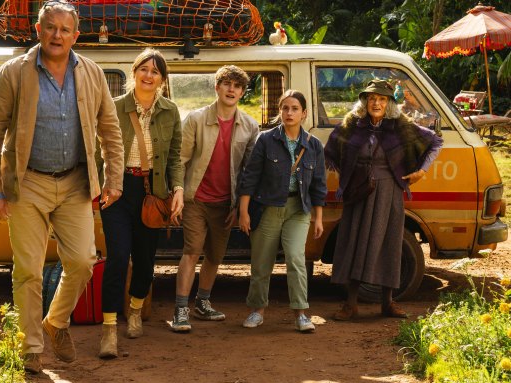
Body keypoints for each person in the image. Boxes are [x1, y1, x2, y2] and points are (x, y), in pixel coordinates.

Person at [0, 1, 124, 374]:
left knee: (82, 262)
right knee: (28, 269)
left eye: (64, 29)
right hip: (27, 185)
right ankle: (31, 348)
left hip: (75, 182)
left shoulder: (91, 72)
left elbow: (110, 129)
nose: (57, 35)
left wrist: (114, 178)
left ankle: (55, 322)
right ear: (38, 30)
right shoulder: (14, 72)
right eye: (50, 27)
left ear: (76, 35)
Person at [324, 79, 443, 320]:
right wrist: (347, 174)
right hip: (358, 193)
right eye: (371, 98)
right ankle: (351, 304)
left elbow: (435, 141)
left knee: (389, 244)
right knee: (354, 243)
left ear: (389, 103)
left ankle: (388, 303)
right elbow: (331, 151)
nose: (376, 102)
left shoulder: (400, 127)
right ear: (365, 101)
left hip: (389, 192)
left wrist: (421, 171)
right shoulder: (351, 125)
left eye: (381, 99)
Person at [98, 48, 183, 358]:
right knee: (118, 258)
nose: (149, 75)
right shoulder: (113, 107)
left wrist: (178, 189)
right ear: (133, 72)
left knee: (146, 261)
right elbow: (99, 150)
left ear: (162, 79)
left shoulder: (170, 111)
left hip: (153, 192)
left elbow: (175, 155)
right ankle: (109, 329)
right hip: (117, 191)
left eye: (155, 71)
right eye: (143, 69)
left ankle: (135, 310)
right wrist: (101, 186)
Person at [170, 65, 259, 332]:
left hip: (225, 203)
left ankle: (202, 303)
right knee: (192, 250)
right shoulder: (196, 119)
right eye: (226, 84)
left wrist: (239, 205)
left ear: (242, 92)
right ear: (217, 87)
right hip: (195, 198)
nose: (231, 89)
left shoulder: (250, 126)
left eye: (237, 85)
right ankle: (180, 310)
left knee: (215, 255)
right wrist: (177, 195)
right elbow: (180, 160)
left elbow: (248, 172)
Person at [238, 90, 326, 332]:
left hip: (299, 209)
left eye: (295, 108)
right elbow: (250, 177)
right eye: (285, 108)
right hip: (267, 207)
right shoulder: (266, 140)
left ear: (304, 113)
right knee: (261, 261)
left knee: (296, 259)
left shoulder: (313, 145)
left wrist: (318, 218)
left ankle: (301, 313)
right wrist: (243, 212)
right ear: (280, 111)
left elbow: (319, 184)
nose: (289, 113)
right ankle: (257, 310)